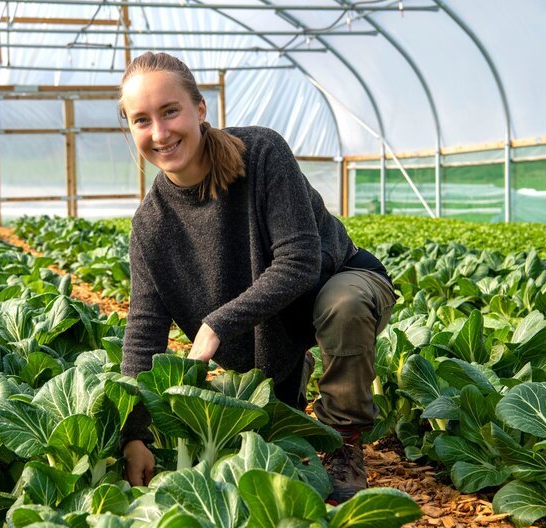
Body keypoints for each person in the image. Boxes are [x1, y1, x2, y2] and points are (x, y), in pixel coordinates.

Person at [117, 51, 396, 504]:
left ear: (200, 109)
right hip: (266, 330)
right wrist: (135, 435)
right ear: (131, 129)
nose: (160, 133)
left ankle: (343, 439)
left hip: (337, 280)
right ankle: (293, 366)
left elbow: (299, 261)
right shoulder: (151, 225)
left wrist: (216, 325)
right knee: (273, 439)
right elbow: (143, 329)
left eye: (171, 112)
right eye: (142, 120)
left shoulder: (262, 153)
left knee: (343, 306)